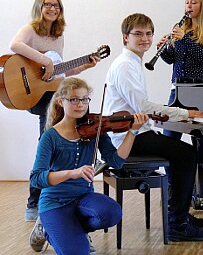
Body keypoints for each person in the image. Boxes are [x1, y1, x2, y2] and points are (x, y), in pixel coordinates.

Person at [103, 13, 203, 242]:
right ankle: (177, 223)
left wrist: (175, 115)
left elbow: (142, 109)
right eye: (138, 34)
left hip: (137, 132)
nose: (145, 39)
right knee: (186, 153)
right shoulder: (125, 66)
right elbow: (142, 106)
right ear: (126, 37)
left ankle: (179, 213)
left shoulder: (132, 63)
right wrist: (185, 113)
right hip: (127, 138)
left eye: (149, 33)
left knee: (181, 151)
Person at [9, 0, 100, 221]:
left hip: (53, 94)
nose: (52, 9)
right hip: (38, 97)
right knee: (47, 147)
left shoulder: (59, 36)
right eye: (48, 5)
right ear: (39, 7)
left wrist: (84, 66)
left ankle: (59, 196)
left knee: (55, 146)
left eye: (57, 5)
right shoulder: (30, 29)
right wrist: (44, 59)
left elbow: (58, 71)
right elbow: (15, 45)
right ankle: (34, 203)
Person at [29, 77, 148, 254]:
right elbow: (36, 179)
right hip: (55, 202)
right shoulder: (51, 137)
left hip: (83, 198)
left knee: (111, 213)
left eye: (85, 99)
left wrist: (133, 131)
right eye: (74, 99)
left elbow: (116, 161)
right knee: (79, 252)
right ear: (61, 102)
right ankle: (48, 229)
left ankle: (73, 230)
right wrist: (72, 173)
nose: (81, 104)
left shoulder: (95, 129)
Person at [157, 0, 203, 209]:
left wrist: (186, 40)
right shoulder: (181, 27)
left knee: (201, 143)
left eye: (193, 2)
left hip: (201, 92)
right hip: (178, 90)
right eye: (186, 2)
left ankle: (201, 194)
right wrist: (164, 49)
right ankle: (173, 191)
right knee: (169, 139)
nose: (188, 6)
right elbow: (172, 60)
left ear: (202, 5)